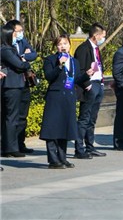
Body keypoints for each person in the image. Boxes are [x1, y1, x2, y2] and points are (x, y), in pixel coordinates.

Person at [40, 34, 92, 168]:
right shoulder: (50, 60)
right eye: (59, 44)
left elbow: (75, 79)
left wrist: (87, 74)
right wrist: (59, 66)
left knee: (65, 128)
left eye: (65, 43)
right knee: (52, 129)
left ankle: (62, 158)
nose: (62, 46)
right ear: (56, 47)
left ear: (69, 45)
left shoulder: (74, 61)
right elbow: (48, 76)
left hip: (69, 97)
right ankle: (53, 160)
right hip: (55, 97)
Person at [73, 23, 108, 159]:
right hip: (89, 86)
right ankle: (79, 148)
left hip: (98, 84)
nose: (103, 39)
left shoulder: (96, 49)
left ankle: (90, 146)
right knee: (84, 118)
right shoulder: (83, 49)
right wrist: (87, 83)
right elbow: (79, 69)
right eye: (102, 36)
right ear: (96, 35)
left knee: (92, 119)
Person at [4, 20, 38, 155]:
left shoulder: (22, 42)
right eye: (18, 31)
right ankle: (10, 147)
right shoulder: (5, 48)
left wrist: (24, 57)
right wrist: (23, 59)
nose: (20, 34)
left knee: (23, 115)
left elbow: (33, 54)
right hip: (12, 84)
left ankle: (20, 143)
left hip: (24, 82)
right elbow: (20, 64)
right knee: (12, 116)